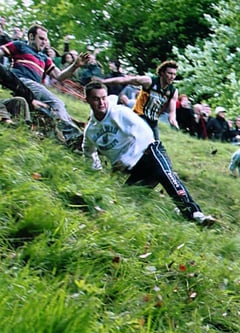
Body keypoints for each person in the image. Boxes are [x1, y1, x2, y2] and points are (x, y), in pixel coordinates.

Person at [81, 80, 217, 226]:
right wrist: (96, 172)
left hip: (149, 152)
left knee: (165, 174)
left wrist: (126, 159)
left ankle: (195, 214)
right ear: (87, 100)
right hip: (134, 169)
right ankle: (175, 209)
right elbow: (88, 151)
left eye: (104, 98)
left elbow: (145, 133)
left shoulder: (119, 113)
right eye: (96, 99)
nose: (101, 103)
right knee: (126, 199)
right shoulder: (91, 131)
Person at [0, 24, 88, 147]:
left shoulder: (44, 58)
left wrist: (76, 65)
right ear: (31, 36)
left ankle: (68, 142)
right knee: (57, 103)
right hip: (21, 80)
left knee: (48, 111)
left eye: (45, 39)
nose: (44, 42)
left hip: (34, 88)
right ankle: (73, 136)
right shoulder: (20, 45)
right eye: (41, 38)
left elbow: (60, 76)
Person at [96, 60, 181, 140]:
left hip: (152, 121)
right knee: (136, 138)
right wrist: (103, 81)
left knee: (155, 145)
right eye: (170, 73)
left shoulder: (173, 91)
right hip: (139, 116)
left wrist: (173, 121)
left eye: (174, 74)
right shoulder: (149, 81)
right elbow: (124, 80)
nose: (172, 77)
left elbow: (172, 112)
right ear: (162, 73)